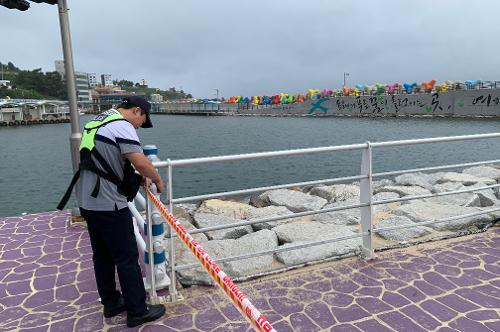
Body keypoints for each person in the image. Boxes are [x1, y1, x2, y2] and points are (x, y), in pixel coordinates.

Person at [59, 96, 166, 327]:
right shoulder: (122, 126)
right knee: (127, 258)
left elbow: (104, 160)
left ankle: (112, 303)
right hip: (110, 204)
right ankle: (138, 311)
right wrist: (157, 179)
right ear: (137, 111)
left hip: (88, 202)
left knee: (103, 256)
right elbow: (140, 162)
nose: (139, 127)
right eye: (143, 121)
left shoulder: (96, 121)